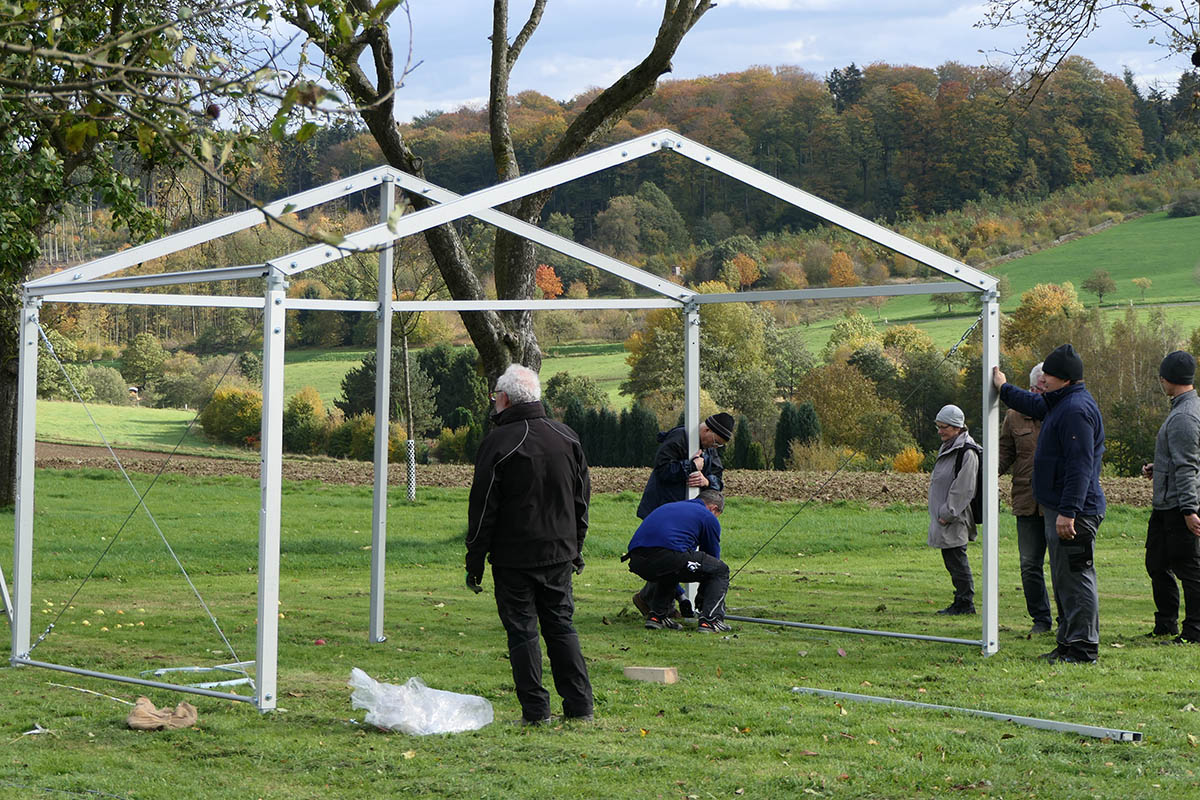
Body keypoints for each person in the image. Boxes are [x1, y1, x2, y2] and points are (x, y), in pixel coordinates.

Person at [465, 364, 593, 725]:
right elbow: (580, 500)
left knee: (523, 631)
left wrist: (474, 559)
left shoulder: (498, 443)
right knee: (560, 626)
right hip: (559, 552)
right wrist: (576, 546)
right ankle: (580, 706)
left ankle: (536, 712)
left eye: (495, 397)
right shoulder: (567, 436)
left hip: (514, 556)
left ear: (503, 399)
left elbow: (483, 509)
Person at [993, 343, 1106, 664]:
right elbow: (1032, 402)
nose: (1043, 380)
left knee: (1076, 579)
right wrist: (1003, 388)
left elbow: (1080, 466)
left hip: (1075, 513)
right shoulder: (1061, 403)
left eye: (1049, 376)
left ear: (1066, 380)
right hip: (1060, 509)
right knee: (1063, 581)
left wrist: (1068, 512)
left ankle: (1083, 649)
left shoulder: (1075, 411)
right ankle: (1067, 643)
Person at [631, 411, 734, 619]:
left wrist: (707, 482)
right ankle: (661, 606)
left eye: (720, 445)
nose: (716, 447)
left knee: (673, 558)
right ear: (706, 430)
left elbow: (718, 480)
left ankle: (654, 602)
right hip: (661, 509)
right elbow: (662, 470)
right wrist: (689, 466)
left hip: (687, 515)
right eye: (716, 441)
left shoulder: (709, 450)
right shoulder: (679, 439)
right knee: (667, 556)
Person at [1142, 350, 1200, 644]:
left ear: (1169, 379)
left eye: (1162, 376)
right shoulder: (1183, 409)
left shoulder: (1184, 417)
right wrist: (1159, 468)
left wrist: (1190, 509)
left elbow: (1189, 465)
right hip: (1165, 503)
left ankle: (1194, 630)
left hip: (1179, 506)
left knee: (1188, 568)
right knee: (1156, 562)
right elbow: (1184, 458)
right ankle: (1166, 623)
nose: (1160, 381)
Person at [623, 489, 731, 633]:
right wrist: (703, 596)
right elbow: (712, 560)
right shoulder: (707, 517)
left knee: (672, 568)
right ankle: (710, 621)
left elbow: (676, 562)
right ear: (714, 508)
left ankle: (657, 616)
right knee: (721, 570)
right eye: (718, 515)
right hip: (667, 556)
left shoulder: (670, 507)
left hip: (637, 559)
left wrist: (682, 597)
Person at [998, 362, 1054, 634]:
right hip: (1026, 501)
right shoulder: (1013, 416)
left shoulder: (1061, 412)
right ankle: (1041, 619)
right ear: (1032, 388)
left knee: (1061, 566)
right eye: (1041, 388)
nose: (1044, 393)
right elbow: (1004, 455)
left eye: (1049, 388)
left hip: (1056, 504)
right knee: (1029, 564)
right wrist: (981, 475)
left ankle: (1068, 620)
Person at [927, 404, 980, 615]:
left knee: (957, 559)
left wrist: (947, 514)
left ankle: (965, 603)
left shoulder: (966, 452)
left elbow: (964, 488)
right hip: (946, 516)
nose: (940, 431)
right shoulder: (950, 445)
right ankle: (961, 600)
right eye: (938, 426)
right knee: (952, 559)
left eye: (945, 427)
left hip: (954, 517)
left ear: (958, 428)